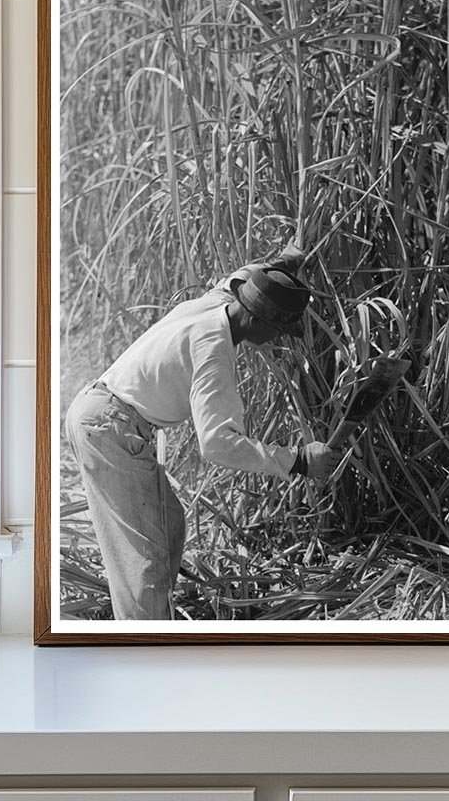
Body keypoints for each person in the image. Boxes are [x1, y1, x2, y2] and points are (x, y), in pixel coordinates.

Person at [64, 249, 337, 620]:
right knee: (145, 558)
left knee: (168, 524)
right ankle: (143, 647)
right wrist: (300, 461)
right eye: (279, 330)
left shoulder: (219, 302)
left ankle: (153, 618)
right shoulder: (214, 354)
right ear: (260, 322)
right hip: (111, 429)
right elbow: (217, 444)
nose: (279, 339)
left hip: (104, 414)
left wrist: (283, 264)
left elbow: (242, 276)